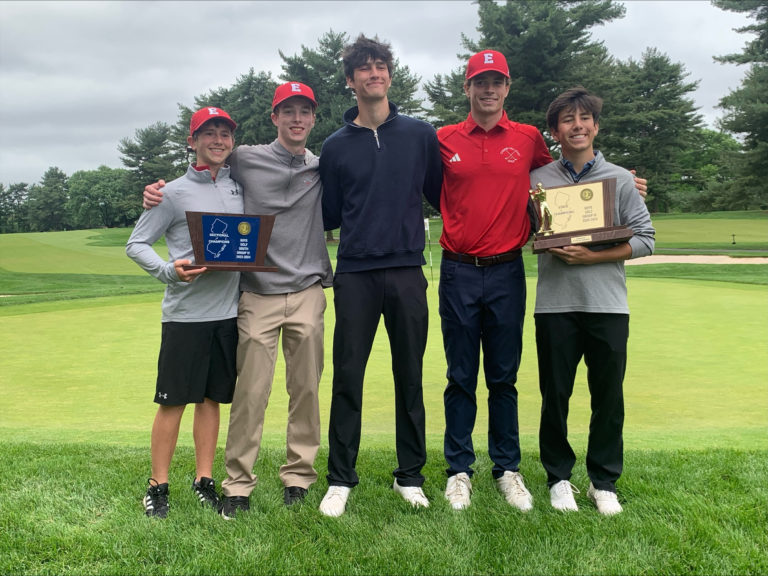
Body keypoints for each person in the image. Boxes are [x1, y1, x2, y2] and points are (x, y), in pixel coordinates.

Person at [437, 51, 648, 512]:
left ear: (507, 87)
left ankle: (508, 469)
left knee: (504, 377)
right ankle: (458, 470)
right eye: (480, 81)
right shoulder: (443, 139)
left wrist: (620, 182)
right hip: (456, 269)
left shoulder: (529, 138)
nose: (488, 89)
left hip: (507, 269)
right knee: (459, 375)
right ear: (467, 87)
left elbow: (567, 186)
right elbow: (425, 189)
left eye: (497, 81)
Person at [142, 82, 333, 519]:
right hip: (255, 293)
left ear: (313, 118)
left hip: (306, 289)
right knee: (250, 393)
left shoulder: (324, 166)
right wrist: (156, 192)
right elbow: (196, 180)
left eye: (305, 111)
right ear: (274, 118)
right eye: (288, 111)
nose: (297, 119)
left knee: (305, 388)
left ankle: (299, 477)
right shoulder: (245, 158)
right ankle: (237, 484)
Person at [317, 34, 442, 517]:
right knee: (348, 375)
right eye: (364, 68)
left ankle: (409, 475)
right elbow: (327, 212)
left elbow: (440, 190)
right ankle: (340, 478)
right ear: (351, 81)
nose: (375, 74)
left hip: (408, 269)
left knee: (409, 375)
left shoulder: (419, 134)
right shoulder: (334, 146)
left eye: (381, 66)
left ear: (389, 74)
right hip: (355, 274)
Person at [529, 86, 654, 515]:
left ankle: (604, 481)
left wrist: (592, 255)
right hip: (554, 306)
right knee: (555, 396)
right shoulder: (538, 181)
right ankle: (559, 478)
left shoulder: (620, 179)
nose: (577, 126)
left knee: (608, 397)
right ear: (555, 131)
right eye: (568, 120)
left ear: (595, 127)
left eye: (584, 119)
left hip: (607, 305)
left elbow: (646, 240)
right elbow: (529, 232)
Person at [127, 107, 242, 518]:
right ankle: (158, 486)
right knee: (173, 401)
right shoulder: (170, 192)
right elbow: (136, 243)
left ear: (232, 141)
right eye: (207, 133)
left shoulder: (238, 187)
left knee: (211, 400)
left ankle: (204, 479)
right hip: (184, 315)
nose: (217, 140)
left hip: (228, 314)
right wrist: (167, 271)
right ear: (192, 141)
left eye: (224, 134)